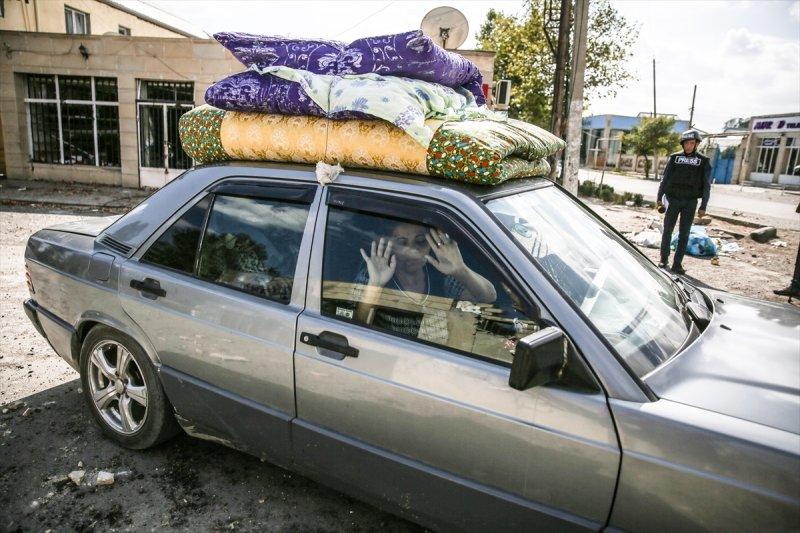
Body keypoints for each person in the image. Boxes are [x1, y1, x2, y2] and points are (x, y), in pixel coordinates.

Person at [354, 222, 496, 341]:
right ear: (389, 246)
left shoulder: (440, 273)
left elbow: (488, 296)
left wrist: (460, 270)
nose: (413, 250)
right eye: (402, 243)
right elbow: (357, 323)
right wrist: (376, 285)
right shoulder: (373, 273)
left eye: (420, 241)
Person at [656, 130, 712, 275]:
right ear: (683, 144)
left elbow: (706, 185)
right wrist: (659, 198)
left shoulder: (703, 161)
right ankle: (664, 259)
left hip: (690, 202)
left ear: (696, 144)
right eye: (686, 143)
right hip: (673, 200)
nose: (688, 146)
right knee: (667, 230)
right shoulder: (674, 158)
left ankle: (677, 264)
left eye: (692, 143)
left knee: (684, 233)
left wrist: (703, 205)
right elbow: (665, 179)